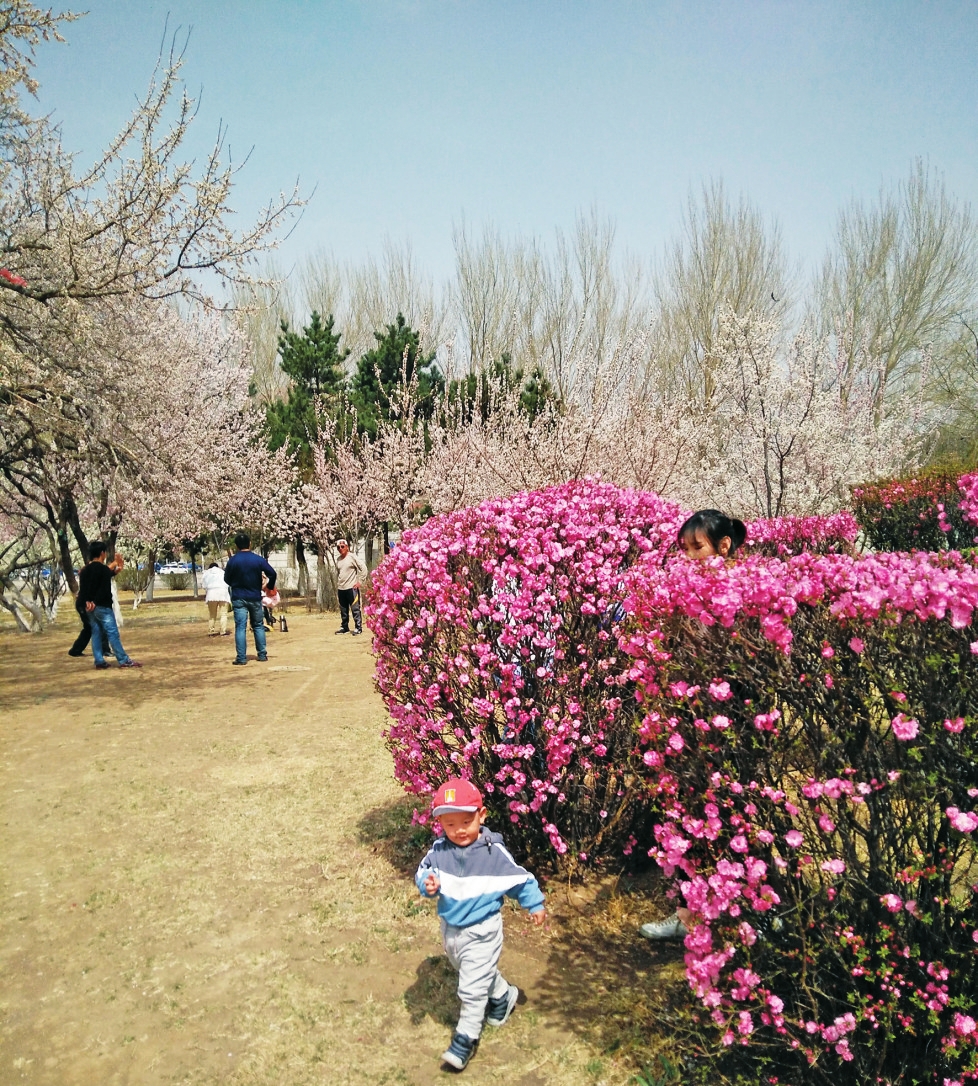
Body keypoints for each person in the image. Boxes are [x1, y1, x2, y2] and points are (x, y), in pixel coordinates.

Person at [639, 508, 746, 942]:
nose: (688, 557)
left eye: (695, 547)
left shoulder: (743, 590)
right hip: (687, 719)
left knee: (730, 820)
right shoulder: (689, 590)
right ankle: (687, 914)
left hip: (729, 723)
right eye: (684, 549)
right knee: (688, 819)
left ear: (724, 546)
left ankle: (741, 912)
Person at [416, 777, 546, 1071]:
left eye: (466, 821)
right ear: (441, 825)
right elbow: (423, 872)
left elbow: (519, 879)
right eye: (450, 824)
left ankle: (464, 1041)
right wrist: (428, 884)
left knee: (471, 989)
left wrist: (534, 903)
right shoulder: (439, 851)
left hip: (483, 930)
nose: (459, 830)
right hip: (451, 930)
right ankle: (503, 995)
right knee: (472, 971)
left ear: (481, 816)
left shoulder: (491, 853)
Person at [77, 542, 142, 669]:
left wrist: (87, 602)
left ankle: (99, 661)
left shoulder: (85, 571)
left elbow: (84, 589)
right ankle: (123, 660)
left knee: (96, 633)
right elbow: (103, 589)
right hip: (102, 607)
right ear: (102, 553)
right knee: (112, 633)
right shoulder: (103, 570)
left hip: (89, 607)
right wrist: (95, 602)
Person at [223, 532, 277, 665]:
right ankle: (262, 654)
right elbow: (272, 573)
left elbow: (226, 579)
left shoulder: (233, 560)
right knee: (258, 625)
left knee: (240, 627)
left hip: (238, 597)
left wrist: (235, 584)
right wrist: (268, 586)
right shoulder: (257, 559)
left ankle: (241, 658)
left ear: (236, 546)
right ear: (250, 544)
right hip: (254, 596)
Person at [334, 539, 366, 637]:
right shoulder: (338, 559)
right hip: (341, 588)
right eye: (338, 547)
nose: (340, 549)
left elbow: (363, 568)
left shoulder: (352, 557)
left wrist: (360, 582)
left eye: (342, 546)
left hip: (351, 588)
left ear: (347, 547)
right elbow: (339, 573)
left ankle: (358, 627)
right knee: (343, 609)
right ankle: (345, 627)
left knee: (355, 608)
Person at [201, 562, 231, 636]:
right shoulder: (223, 572)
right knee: (223, 614)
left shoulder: (206, 573)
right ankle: (223, 631)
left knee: (212, 614)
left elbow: (204, 585)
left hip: (211, 594)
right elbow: (228, 583)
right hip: (223, 594)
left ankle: (211, 630)